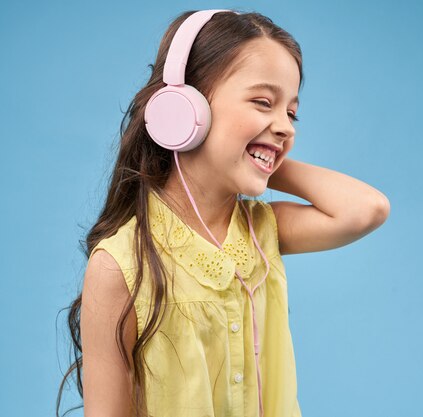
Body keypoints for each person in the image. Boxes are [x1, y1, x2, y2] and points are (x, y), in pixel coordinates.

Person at [57, 9, 390, 417]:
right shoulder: (121, 265)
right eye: (264, 102)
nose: (286, 126)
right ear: (184, 109)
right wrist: (249, 149)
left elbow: (367, 209)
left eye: (292, 112)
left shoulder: (262, 231)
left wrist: (264, 157)